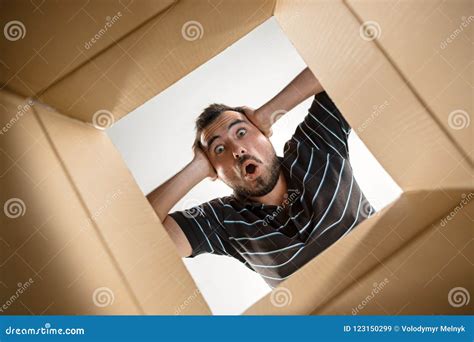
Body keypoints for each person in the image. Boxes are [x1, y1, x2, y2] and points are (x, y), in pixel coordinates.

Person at [147, 67, 375, 288]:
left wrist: (268, 112)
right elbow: (140, 239)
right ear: (213, 171)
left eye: (242, 132)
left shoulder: (315, 146)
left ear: (263, 132)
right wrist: (196, 168)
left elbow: (345, 63)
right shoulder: (221, 221)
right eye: (219, 149)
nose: (237, 150)